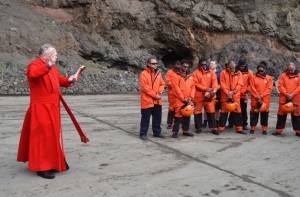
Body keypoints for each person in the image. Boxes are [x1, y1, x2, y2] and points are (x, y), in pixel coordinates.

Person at [17, 44, 89, 179]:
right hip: (40, 108)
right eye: (53, 54)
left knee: (52, 136)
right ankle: (41, 167)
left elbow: (60, 80)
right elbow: (34, 74)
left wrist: (70, 79)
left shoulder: (51, 67)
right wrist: (48, 64)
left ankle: (54, 163)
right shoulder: (34, 65)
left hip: (52, 107)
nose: (56, 56)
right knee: (42, 137)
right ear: (45, 55)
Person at [139, 58, 166, 140]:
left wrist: (159, 93)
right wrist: (155, 95)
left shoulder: (158, 73)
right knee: (145, 118)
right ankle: (143, 134)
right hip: (147, 100)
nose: (155, 65)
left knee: (157, 117)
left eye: (156, 63)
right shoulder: (143, 74)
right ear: (148, 64)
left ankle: (157, 132)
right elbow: (145, 88)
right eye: (153, 63)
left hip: (157, 100)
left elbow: (162, 84)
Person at [192, 58, 220, 135]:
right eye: (202, 64)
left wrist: (213, 92)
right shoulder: (195, 73)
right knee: (197, 112)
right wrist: (206, 89)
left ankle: (213, 128)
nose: (204, 66)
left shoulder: (211, 72)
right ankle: (198, 127)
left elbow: (215, 83)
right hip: (198, 96)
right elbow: (195, 84)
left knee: (211, 111)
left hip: (209, 96)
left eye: (205, 64)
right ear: (199, 64)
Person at [218, 60, 246, 134]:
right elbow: (222, 84)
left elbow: (240, 84)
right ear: (228, 66)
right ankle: (221, 128)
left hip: (235, 96)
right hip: (225, 96)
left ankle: (239, 129)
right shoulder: (223, 73)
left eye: (233, 68)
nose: (232, 69)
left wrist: (233, 92)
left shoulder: (239, 73)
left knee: (238, 112)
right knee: (224, 112)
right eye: (231, 68)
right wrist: (228, 93)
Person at [272, 62, 300, 137]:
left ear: (295, 68)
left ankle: (298, 131)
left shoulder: (299, 76)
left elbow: (299, 87)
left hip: (295, 98)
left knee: (296, 115)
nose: (290, 72)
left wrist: (292, 94)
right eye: (289, 70)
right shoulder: (283, 75)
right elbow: (280, 86)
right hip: (284, 98)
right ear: (287, 69)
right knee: (281, 115)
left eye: (292, 70)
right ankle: (278, 130)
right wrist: (287, 94)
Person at [171, 59, 195, 138]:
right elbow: (176, 88)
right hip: (179, 100)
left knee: (187, 115)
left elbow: (192, 87)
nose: (185, 68)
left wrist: (191, 97)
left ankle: (186, 131)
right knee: (178, 116)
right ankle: (175, 132)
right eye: (184, 66)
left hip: (188, 99)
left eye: (187, 67)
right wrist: (183, 98)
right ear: (180, 66)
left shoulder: (190, 76)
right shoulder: (175, 75)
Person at [227, 58, 253, 130]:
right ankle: (231, 123)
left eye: (243, 66)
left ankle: (244, 124)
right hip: (235, 94)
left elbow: (251, 83)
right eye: (240, 66)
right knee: (233, 109)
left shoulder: (249, 73)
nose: (242, 67)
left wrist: (247, 90)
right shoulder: (235, 71)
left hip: (244, 95)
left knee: (243, 110)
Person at [249, 61, 273, 135]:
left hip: (265, 100)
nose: (260, 72)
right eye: (259, 71)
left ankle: (264, 129)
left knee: (264, 115)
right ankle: (253, 128)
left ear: (265, 70)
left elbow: (269, 89)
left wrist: (261, 96)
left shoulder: (269, 78)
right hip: (255, 100)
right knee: (254, 114)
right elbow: (252, 88)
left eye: (262, 71)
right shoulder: (253, 78)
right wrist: (257, 96)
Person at [203, 60, 221, 128]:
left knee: (217, 109)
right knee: (206, 108)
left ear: (216, 65)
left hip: (217, 93)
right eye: (210, 64)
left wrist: (214, 90)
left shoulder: (219, 74)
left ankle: (217, 122)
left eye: (213, 64)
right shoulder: (206, 73)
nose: (211, 65)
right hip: (207, 93)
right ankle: (205, 121)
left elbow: (221, 84)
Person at [165, 60, 181, 129]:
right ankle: (169, 123)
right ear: (174, 65)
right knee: (171, 108)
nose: (178, 66)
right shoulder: (169, 72)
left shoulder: (182, 73)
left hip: (180, 93)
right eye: (176, 64)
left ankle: (178, 122)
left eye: (179, 64)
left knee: (179, 108)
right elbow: (168, 82)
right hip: (172, 93)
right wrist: (176, 85)